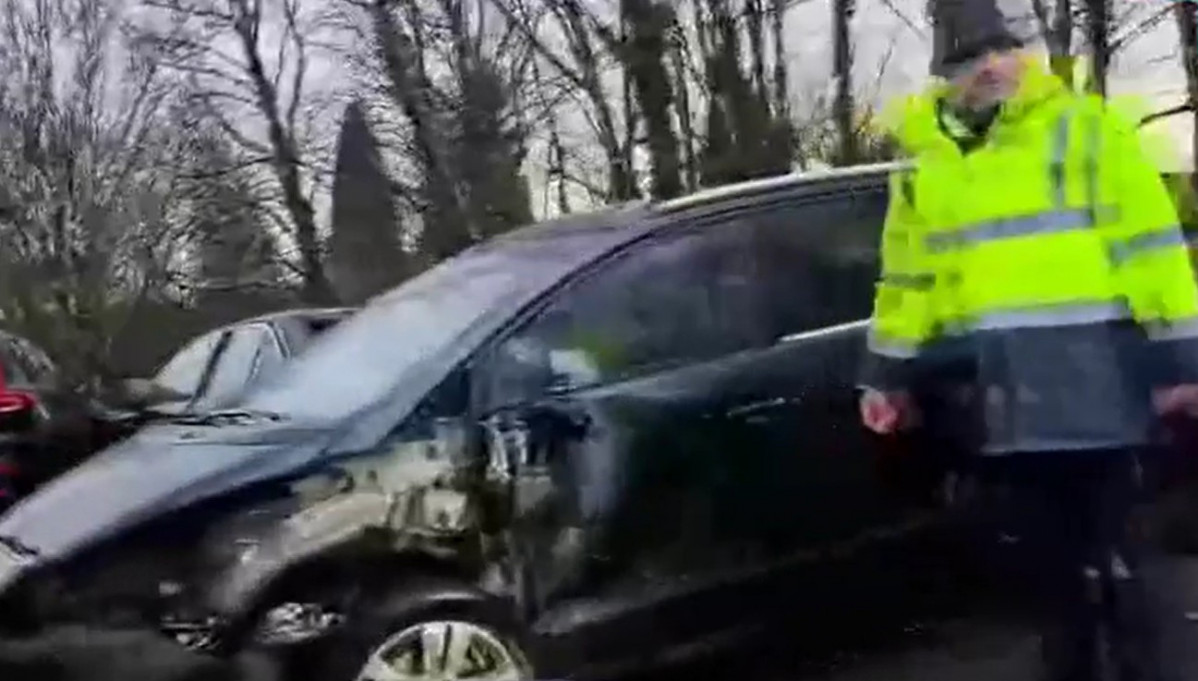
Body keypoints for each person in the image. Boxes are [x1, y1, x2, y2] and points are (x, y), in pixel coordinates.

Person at [858, 0, 1198, 679]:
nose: (990, 67)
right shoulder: (924, 164)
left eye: (1000, 49)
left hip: (1102, 389)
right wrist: (885, 376)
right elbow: (907, 282)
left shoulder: (1084, 131)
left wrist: (1180, 362)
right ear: (943, 75)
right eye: (969, 58)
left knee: (1124, 574)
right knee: (1050, 588)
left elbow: (1152, 254)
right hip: (1002, 401)